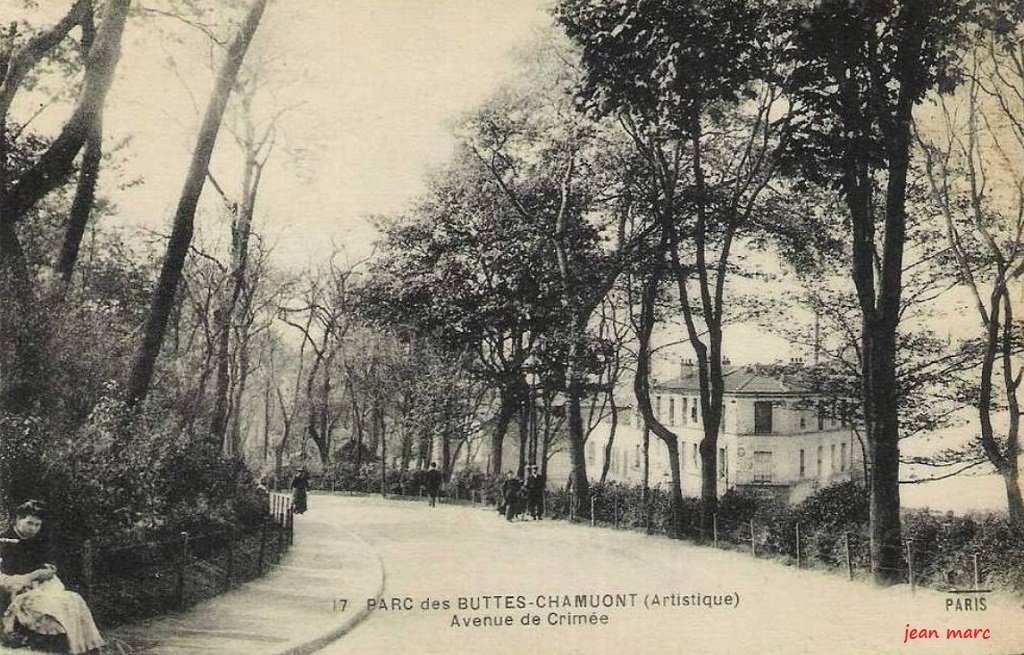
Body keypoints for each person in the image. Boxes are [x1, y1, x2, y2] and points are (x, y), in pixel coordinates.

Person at [0, 500, 104, 654]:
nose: (33, 529)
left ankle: (85, 648)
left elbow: (46, 564)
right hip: (17, 594)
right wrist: (34, 575)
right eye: (29, 523)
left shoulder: (37, 542)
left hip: (44, 588)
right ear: (17, 520)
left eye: (37, 525)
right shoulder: (4, 541)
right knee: (57, 611)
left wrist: (49, 570)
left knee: (74, 600)